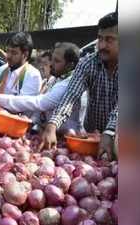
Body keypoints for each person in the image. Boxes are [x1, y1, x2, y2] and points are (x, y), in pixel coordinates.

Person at [39, 12, 118, 160]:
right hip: (91, 136)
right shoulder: (88, 63)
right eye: (100, 38)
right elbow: (71, 96)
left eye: (109, 40)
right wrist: (52, 125)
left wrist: (109, 132)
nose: (102, 45)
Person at [0, 42, 84, 134]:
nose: (51, 64)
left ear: (70, 65)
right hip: (46, 133)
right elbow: (39, 110)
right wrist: (29, 124)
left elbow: (40, 103)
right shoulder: (55, 78)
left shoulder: (69, 83)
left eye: (57, 61)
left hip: (65, 136)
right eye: (52, 59)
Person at [0, 32, 42, 111]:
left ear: (25, 54)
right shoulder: (5, 68)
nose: (8, 56)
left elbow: (22, 104)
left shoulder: (33, 75)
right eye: (8, 51)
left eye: (14, 53)